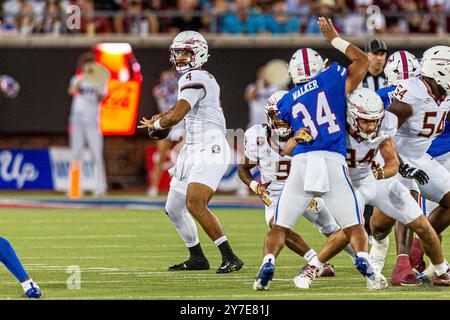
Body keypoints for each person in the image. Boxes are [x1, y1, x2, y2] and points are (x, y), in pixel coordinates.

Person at [253, 17, 385, 291]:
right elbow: (361, 61)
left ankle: (267, 262)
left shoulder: (287, 100)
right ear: (318, 66)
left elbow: (289, 142)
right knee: (354, 225)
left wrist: (297, 137)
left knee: (279, 227)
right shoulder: (331, 78)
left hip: (302, 162)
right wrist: (333, 39)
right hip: (332, 160)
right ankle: (365, 263)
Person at [293, 88, 450, 289]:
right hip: (351, 184)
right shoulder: (334, 131)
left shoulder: (383, 128)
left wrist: (382, 173)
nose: (371, 125)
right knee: (351, 228)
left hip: (379, 181)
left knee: (422, 225)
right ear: (351, 116)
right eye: (366, 120)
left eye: (375, 120)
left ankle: (442, 270)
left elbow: (393, 162)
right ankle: (313, 267)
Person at [138, 30, 243, 273]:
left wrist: (158, 124)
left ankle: (230, 256)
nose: (179, 57)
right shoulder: (194, 78)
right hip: (193, 148)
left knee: (195, 203)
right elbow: (177, 112)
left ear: (199, 53)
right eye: (177, 53)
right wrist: (162, 119)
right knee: (173, 209)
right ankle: (197, 258)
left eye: (185, 52)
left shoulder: (194, 77)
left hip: (210, 146)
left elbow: (178, 113)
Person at [238, 90, 355, 278]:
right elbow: (243, 169)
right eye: (278, 116)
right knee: (277, 226)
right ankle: (314, 260)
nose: (282, 120)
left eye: (286, 115)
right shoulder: (256, 136)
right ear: (269, 116)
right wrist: (255, 186)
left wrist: (315, 191)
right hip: (275, 194)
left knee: (330, 228)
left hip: (305, 187)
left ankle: (359, 258)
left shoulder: (310, 132)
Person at [386, 45, 450, 285]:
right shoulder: (412, 92)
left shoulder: (443, 94)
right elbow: (385, 133)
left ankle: (419, 247)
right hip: (395, 155)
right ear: (440, 70)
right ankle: (402, 265)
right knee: (409, 201)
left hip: (420, 156)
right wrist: (400, 165)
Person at [67, 51, 108, 197]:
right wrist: (82, 79)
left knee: (96, 153)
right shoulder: (77, 78)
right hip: (77, 120)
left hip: (92, 121)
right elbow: (72, 91)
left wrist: (96, 86)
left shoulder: (100, 80)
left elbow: (102, 97)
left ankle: (100, 187)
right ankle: (75, 188)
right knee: (76, 153)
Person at [147, 70, 185, 197]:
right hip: (165, 125)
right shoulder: (160, 90)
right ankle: (154, 187)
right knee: (161, 157)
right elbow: (161, 93)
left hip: (180, 125)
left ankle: (185, 186)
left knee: (185, 157)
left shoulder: (180, 88)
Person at [244, 65, 283, 129]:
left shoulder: (276, 87)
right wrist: (259, 84)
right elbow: (248, 97)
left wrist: (281, 82)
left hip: (272, 125)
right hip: (255, 125)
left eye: (266, 73)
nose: (264, 75)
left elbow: (287, 97)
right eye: (261, 73)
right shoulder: (252, 87)